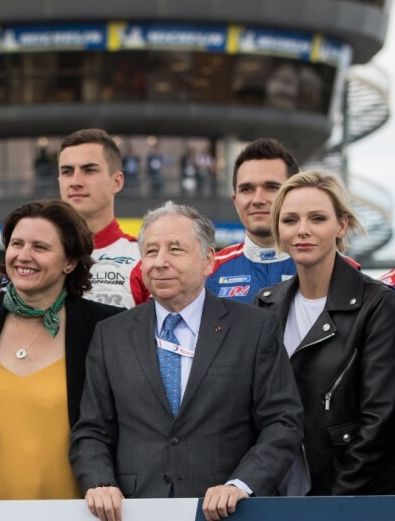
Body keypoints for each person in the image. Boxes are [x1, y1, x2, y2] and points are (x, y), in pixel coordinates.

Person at [70, 201, 303, 521]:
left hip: (228, 512)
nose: (159, 262)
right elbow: (92, 430)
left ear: (208, 260)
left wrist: (241, 484)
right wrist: (100, 481)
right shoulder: (111, 334)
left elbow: (282, 421)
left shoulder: (255, 327)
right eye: (150, 251)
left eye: (175, 249)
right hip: (136, 510)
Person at [0, 199, 123, 500]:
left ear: (69, 262)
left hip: (70, 511)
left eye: (40, 247)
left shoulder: (103, 326)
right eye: (17, 243)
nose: (23, 256)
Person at [254, 171, 395, 495]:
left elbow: (379, 421)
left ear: (341, 225)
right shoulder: (264, 304)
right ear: (278, 229)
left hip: (350, 496)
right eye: (290, 220)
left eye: (317, 218)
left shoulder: (378, 305)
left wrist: (328, 502)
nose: (302, 230)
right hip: (275, 494)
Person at [58, 128, 150, 308]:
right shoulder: (34, 254)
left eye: (89, 170)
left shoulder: (143, 259)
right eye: (67, 172)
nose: (75, 181)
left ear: (117, 182)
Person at [206, 138, 300, 302]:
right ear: (236, 201)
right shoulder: (206, 272)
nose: (258, 199)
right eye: (246, 189)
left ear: (296, 195)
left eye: (271, 187)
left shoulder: (336, 270)